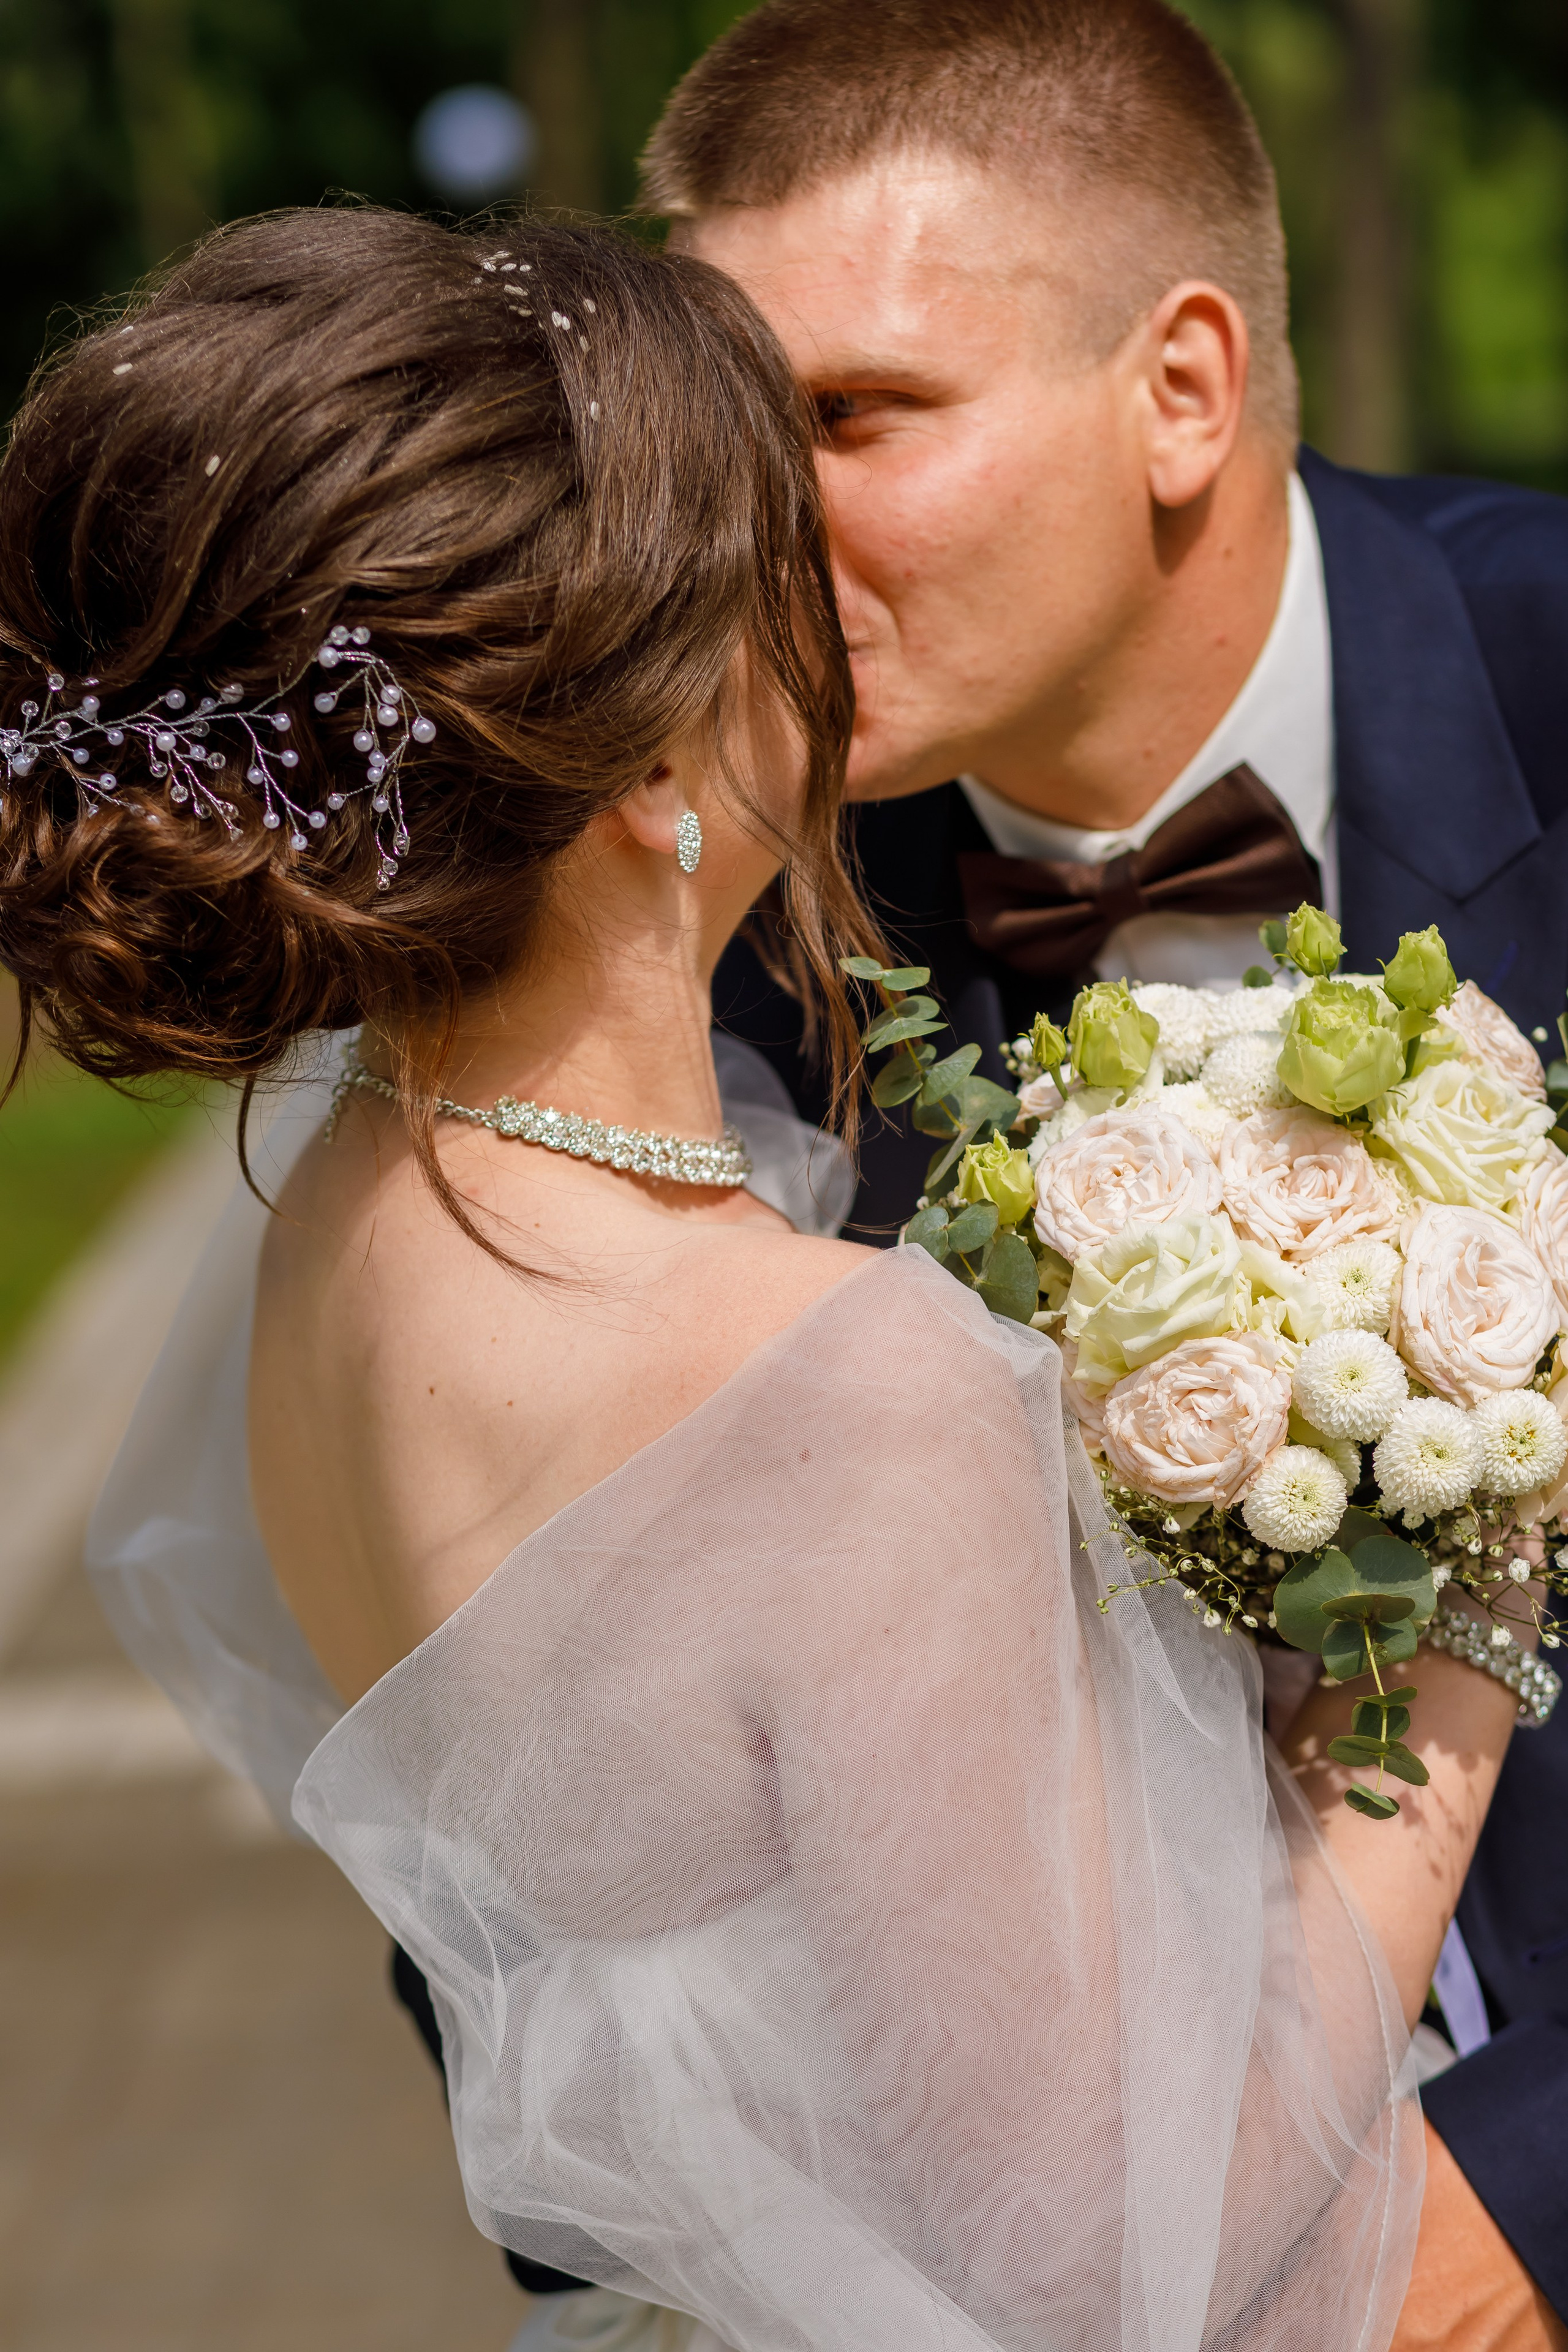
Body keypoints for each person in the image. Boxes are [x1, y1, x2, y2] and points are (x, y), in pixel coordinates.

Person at [0, 207, 1530, 2352]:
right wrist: (1464, 1626)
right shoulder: (830, 1393)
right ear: (639, 767)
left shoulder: (343, 1229)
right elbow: (1113, 2256)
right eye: (772, 570)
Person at [639, 4, 1568, 2342]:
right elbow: (558, 1778)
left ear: (1180, 389)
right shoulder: (693, 929)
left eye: (851, 417)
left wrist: (1528, 2216)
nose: (752, 523)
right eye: (726, 434)